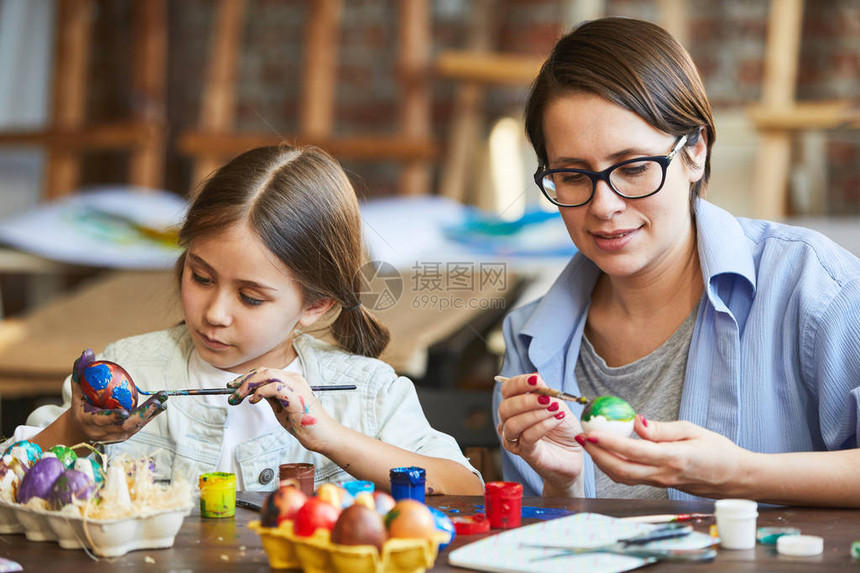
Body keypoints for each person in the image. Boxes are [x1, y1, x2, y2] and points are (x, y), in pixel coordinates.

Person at [493, 16, 860, 507]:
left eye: (634, 167)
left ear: (696, 153)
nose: (604, 206)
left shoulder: (812, 286)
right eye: (573, 176)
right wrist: (567, 486)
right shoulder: (531, 344)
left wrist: (741, 475)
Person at [5, 145, 484, 495]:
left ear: (315, 305)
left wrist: (329, 436)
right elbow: (8, 476)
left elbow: (464, 488)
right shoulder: (128, 370)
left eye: (251, 298)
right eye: (201, 277)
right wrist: (73, 430)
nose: (214, 313)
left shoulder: (366, 392)